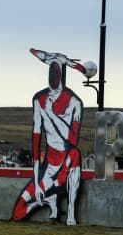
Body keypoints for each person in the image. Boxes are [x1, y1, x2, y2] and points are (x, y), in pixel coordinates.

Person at [12, 48, 92, 225]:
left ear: (61, 73)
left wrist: (51, 114)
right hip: (48, 166)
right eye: (50, 69)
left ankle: (71, 213)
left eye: (56, 70)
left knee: (75, 154)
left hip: (66, 163)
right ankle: (48, 199)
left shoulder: (74, 103)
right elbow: (36, 136)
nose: (52, 74)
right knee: (19, 212)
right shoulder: (39, 99)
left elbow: (72, 139)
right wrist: (36, 177)